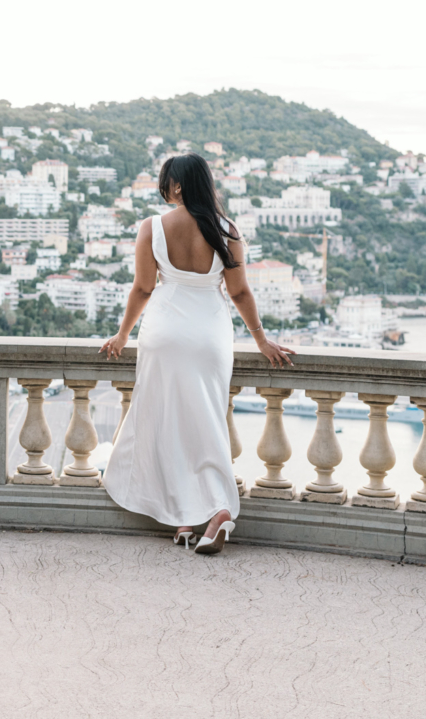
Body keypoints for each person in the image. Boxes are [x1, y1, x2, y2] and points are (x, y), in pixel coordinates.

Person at [99, 153, 294, 555]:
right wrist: (260, 340)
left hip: (164, 334)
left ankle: (195, 512)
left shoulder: (152, 227)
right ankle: (206, 511)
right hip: (209, 336)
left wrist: (121, 336)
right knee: (206, 421)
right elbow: (240, 292)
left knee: (168, 423)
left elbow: (142, 288)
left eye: (167, 183)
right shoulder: (226, 229)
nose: (165, 190)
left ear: (177, 186)